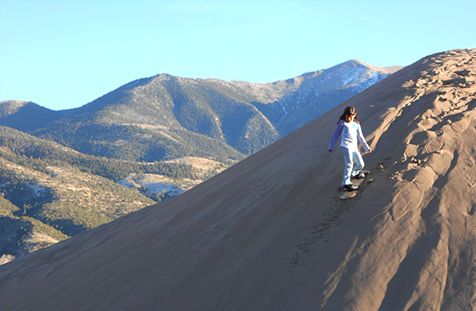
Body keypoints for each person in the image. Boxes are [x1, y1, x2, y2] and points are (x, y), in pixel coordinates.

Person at [328, 106, 372, 191]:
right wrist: (330, 146)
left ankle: (355, 173)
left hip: (354, 147)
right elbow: (335, 135)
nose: (348, 118)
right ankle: (346, 183)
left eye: (350, 116)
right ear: (344, 115)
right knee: (349, 164)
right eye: (347, 116)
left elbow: (361, 137)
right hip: (345, 146)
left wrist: (366, 147)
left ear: (354, 115)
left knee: (361, 164)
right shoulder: (342, 123)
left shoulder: (356, 124)